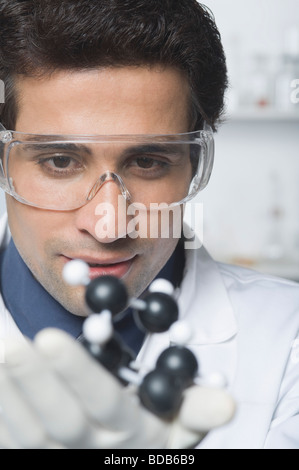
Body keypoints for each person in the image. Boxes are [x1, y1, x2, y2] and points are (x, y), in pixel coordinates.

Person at [0, 0, 298, 450]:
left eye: (147, 162)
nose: (108, 226)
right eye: (59, 161)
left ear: (193, 163)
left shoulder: (288, 342)